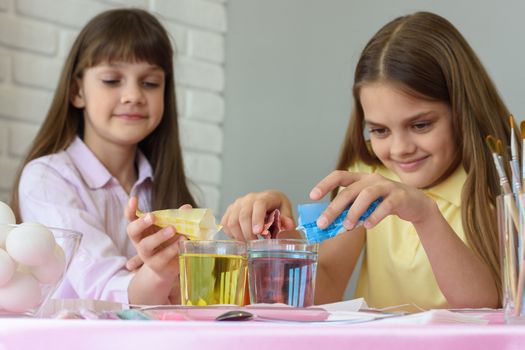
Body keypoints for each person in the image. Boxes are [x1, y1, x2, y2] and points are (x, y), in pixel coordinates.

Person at [221, 11, 509, 311]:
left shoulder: (496, 186)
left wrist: (425, 215)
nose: (400, 149)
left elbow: (482, 306)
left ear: (462, 111)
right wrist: (280, 238)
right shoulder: (368, 177)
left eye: (421, 125)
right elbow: (327, 287)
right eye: (380, 130)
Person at [10, 8, 196, 305]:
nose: (133, 95)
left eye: (150, 83)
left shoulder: (164, 187)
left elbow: (194, 296)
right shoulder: (46, 179)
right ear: (77, 91)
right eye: (112, 80)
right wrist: (159, 275)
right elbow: (103, 292)